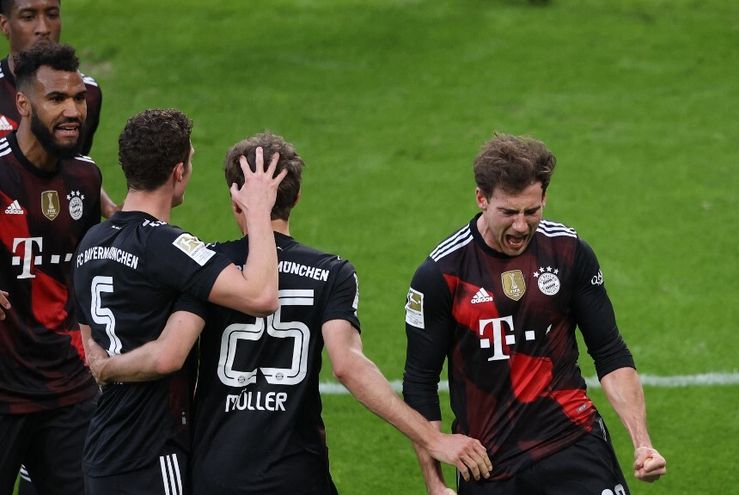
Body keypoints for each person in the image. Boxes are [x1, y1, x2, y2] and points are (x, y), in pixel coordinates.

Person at [85, 132, 493, 494]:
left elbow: (167, 352)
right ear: (296, 198)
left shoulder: (208, 268)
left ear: (236, 199)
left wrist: (106, 366)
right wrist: (432, 438)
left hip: (217, 473)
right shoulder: (333, 273)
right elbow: (348, 366)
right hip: (298, 473)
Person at [402, 134, 667, 495]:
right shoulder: (442, 273)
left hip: (572, 441)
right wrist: (434, 483)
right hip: (488, 464)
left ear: (544, 198)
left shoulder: (567, 251)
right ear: (481, 199)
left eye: (532, 211)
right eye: (509, 212)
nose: (521, 226)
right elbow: (420, 381)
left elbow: (609, 351)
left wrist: (642, 443)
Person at [71, 110, 286, 493]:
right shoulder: (166, 245)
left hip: (103, 449)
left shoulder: (91, 242)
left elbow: (88, 341)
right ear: (179, 171)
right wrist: (258, 211)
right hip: (152, 451)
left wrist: (105, 366)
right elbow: (262, 295)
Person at [0, 42, 101, 495]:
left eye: (78, 98)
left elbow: (87, 270)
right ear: (23, 104)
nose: (73, 111)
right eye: (56, 98)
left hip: (67, 388)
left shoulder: (85, 177)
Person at [0, 0, 117, 218]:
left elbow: (72, 162)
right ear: (5, 24)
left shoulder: (89, 92)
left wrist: (108, 207)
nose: (43, 28)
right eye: (28, 17)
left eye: (52, 15)